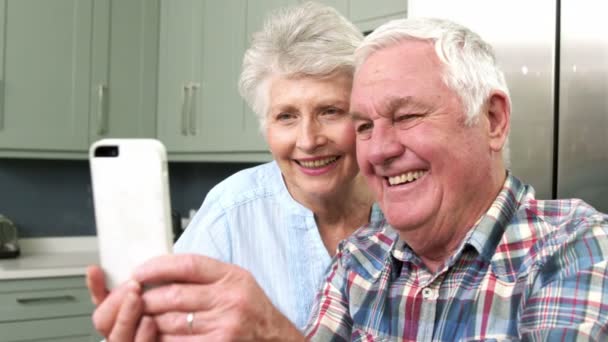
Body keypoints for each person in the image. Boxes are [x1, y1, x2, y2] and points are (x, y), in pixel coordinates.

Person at [86, 2, 382, 340]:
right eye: (286, 116)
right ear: (264, 125)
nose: (308, 140)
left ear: (363, 115)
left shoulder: (404, 208)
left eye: (330, 111)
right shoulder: (229, 212)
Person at [304, 17, 608, 340]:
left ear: (492, 120)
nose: (378, 151)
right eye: (364, 126)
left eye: (406, 116)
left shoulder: (577, 249)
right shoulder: (358, 260)